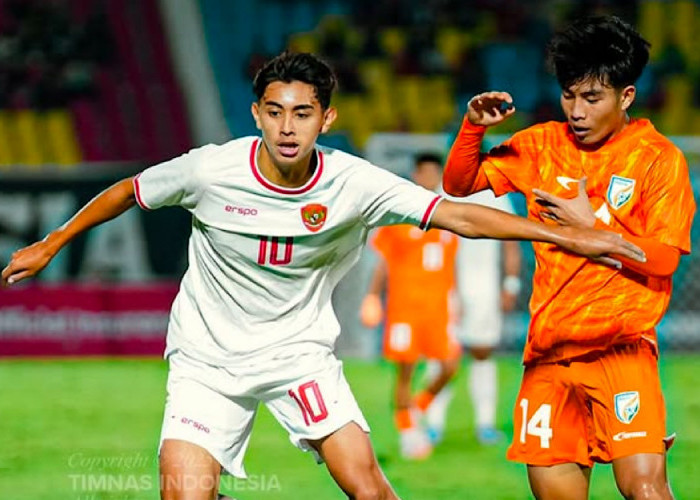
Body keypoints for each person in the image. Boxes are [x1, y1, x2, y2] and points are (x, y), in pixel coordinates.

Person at [2, 51, 644, 500]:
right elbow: (128, 190)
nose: (288, 127)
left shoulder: (353, 182)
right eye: (276, 112)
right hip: (206, 361)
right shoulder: (208, 170)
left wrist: (565, 234)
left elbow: (460, 218)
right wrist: (52, 244)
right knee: (182, 492)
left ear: (326, 119)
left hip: (299, 357)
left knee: (367, 486)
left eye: (303, 113)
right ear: (256, 113)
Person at [442, 16, 695, 500]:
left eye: (592, 98)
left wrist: (592, 231)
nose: (577, 111)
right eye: (569, 95)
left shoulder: (657, 159)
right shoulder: (542, 146)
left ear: (626, 97)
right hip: (549, 357)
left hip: (620, 348)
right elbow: (460, 184)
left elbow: (663, 260)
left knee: (645, 488)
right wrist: (472, 129)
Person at [359, 152, 462, 460]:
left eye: (435, 173)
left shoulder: (447, 216)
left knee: (450, 366)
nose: (429, 178)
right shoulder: (400, 214)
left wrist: (455, 298)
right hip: (405, 307)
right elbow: (382, 263)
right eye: (425, 173)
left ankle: (416, 409)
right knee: (405, 371)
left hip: (438, 307)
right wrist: (372, 297)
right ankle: (407, 432)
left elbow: (449, 263)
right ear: (417, 175)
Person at [423, 189, 522, 446]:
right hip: (448, 287)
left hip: (484, 289)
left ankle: (485, 424)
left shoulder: (496, 194)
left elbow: (511, 241)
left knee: (483, 352)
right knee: (442, 354)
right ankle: (432, 423)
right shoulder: (443, 192)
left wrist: (511, 283)